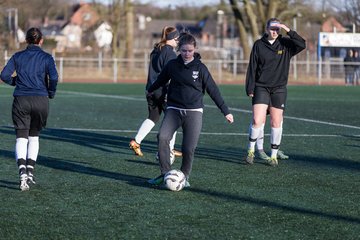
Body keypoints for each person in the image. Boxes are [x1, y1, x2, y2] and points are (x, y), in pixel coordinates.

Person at [146, 32, 234, 187]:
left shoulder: (200, 68)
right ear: (179, 49)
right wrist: (151, 90)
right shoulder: (172, 65)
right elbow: (161, 80)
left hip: (194, 112)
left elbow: (213, 90)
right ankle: (165, 174)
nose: (187, 54)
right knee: (163, 137)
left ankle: (184, 176)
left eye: (190, 51)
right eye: (184, 50)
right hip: (173, 109)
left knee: (188, 147)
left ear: (195, 49)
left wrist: (225, 111)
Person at [0, 28, 58, 191]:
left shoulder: (18, 56)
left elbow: (4, 75)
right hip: (40, 100)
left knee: (21, 137)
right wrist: (50, 92)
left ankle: (22, 173)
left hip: (21, 100)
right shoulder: (47, 57)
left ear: (26, 40)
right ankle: (30, 171)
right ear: (41, 41)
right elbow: (53, 77)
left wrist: (16, 82)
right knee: (34, 136)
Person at [245, 18, 305, 166]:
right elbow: (252, 67)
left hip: (279, 89)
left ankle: (273, 155)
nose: (275, 31)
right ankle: (251, 151)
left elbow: (302, 44)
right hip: (261, 87)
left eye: (277, 29)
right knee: (257, 120)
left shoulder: (286, 44)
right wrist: (250, 87)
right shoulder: (259, 45)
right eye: (272, 28)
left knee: (276, 122)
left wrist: (288, 29)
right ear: (266, 29)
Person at [129, 26, 182, 161]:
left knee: (153, 117)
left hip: (150, 89)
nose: (178, 41)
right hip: (163, 90)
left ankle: (136, 141)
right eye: (177, 38)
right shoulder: (170, 53)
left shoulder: (156, 49)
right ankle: (169, 150)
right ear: (172, 38)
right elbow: (170, 74)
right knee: (173, 120)